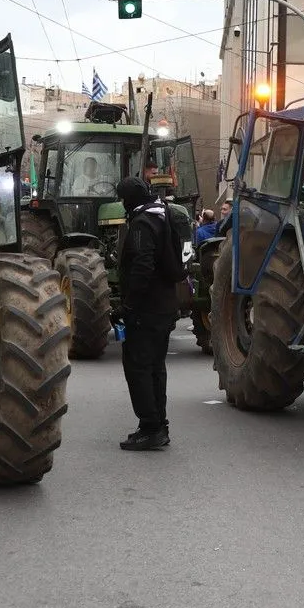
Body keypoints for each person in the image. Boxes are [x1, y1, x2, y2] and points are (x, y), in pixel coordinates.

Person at [115, 175, 179, 451]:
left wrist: (127, 306)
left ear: (129, 200)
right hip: (165, 306)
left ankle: (150, 428)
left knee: (138, 368)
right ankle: (159, 424)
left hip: (146, 310)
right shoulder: (164, 216)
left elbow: (143, 266)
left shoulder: (141, 223)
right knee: (155, 367)